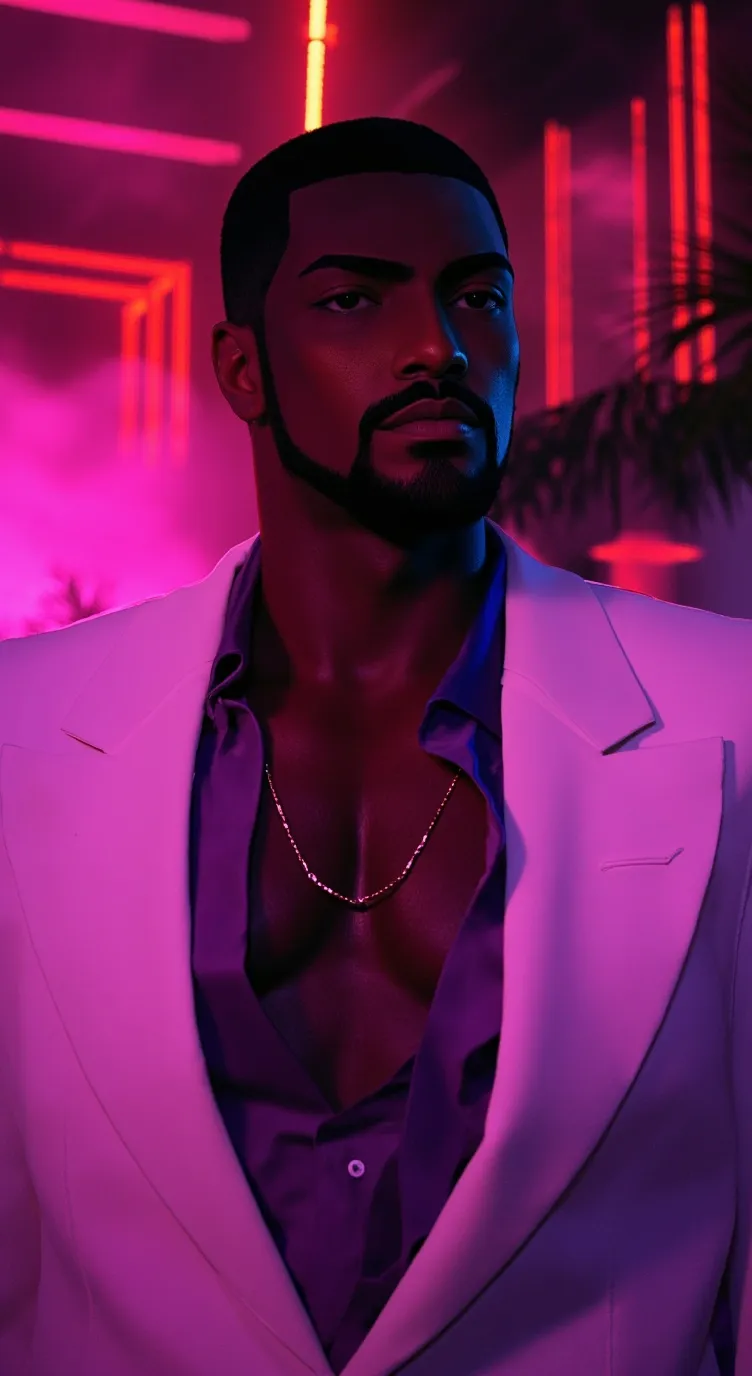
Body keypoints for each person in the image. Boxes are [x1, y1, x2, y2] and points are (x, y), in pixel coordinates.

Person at [0, 117, 749, 1376]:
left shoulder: (728, 710)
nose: (436, 347)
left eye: (477, 297)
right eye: (355, 298)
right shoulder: (24, 728)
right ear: (243, 369)